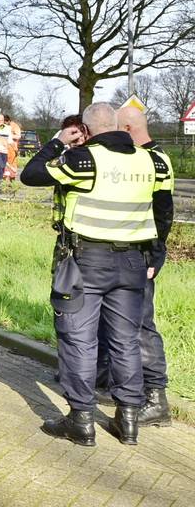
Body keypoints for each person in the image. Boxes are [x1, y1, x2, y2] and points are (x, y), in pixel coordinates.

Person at [21, 102, 168, 447]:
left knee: (79, 339)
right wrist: (156, 256)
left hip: (87, 263)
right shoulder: (153, 161)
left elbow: (31, 175)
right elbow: (162, 211)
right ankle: (128, 418)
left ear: (85, 130)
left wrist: (57, 141)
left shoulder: (84, 161)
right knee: (125, 340)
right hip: (133, 264)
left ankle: (81, 419)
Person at [95, 105, 176, 427]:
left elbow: (163, 214)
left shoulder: (155, 160)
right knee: (111, 318)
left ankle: (156, 399)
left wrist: (154, 256)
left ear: (126, 128)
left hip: (141, 256)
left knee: (141, 324)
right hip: (121, 254)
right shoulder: (134, 157)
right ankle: (106, 378)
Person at [3, 120, 22, 190]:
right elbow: (17, 137)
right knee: (10, 166)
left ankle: (9, 183)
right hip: (10, 150)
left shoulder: (9, 127)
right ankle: (9, 184)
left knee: (8, 166)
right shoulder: (14, 127)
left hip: (9, 150)